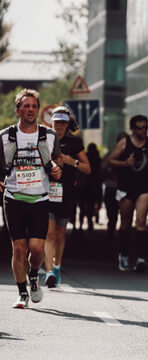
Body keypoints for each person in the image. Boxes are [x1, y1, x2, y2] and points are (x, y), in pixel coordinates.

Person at [0, 89, 62, 308]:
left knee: (36, 249)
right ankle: (22, 293)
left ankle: (34, 275)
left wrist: (56, 170)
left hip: (39, 199)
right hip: (13, 197)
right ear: (18, 110)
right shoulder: (5, 136)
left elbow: (56, 161)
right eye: (26, 106)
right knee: (19, 248)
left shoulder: (49, 135)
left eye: (34, 106)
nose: (30, 110)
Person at [43, 107, 90, 287]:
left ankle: (56, 266)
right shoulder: (43, 139)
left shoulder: (75, 142)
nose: (59, 126)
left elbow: (88, 169)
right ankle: (48, 273)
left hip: (66, 191)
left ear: (67, 124)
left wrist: (72, 162)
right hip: (47, 190)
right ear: (51, 122)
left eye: (63, 122)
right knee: (49, 232)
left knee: (61, 234)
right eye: (57, 122)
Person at [106, 115, 148, 272]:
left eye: (145, 127)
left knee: (141, 221)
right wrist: (124, 163)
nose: (143, 131)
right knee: (126, 221)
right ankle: (124, 254)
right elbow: (110, 160)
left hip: (145, 187)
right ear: (133, 129)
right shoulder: (124, 143)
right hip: (126, 187)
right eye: (140, 127)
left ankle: (141, 258)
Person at [101, 132, 128, 245]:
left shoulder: (129, 156)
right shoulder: (110, 155)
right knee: (112, 215)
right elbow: (101, 168)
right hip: (112, 188)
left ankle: (122, 238)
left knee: (125, 215)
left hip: (123, 188)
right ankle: (111, 235)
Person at [75, 143, 102, 234]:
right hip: (93, 186)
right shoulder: (98, 160)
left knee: (82, 206)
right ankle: (90, 222)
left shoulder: (85, 159)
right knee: (91, 205)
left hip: (84, 186)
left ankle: (80, 225)